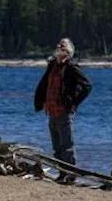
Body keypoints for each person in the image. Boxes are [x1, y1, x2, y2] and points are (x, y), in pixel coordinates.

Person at [33, 37, 92, 183]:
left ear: (68, 52)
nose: (59, 48)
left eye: (62, 47)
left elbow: (87, 86)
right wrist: (43, 102)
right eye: (58, 45)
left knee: (67, 146)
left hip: (63, 112)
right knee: (56, 146)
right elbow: (45, 84)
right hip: (51, 111)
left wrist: (74, 103)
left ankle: (71, 174)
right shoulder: (53, 65)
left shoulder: (72, 66)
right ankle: (62, 173)